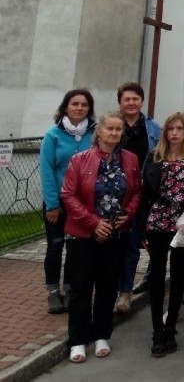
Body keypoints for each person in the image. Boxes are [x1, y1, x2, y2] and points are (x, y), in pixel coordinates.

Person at [61, 111, 142, 363]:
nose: (115, 133)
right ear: (100, 131)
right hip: (84, 233)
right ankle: (77, 340)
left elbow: (137, 192)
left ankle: (101, 335)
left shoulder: (130, 159)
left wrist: (127, 214)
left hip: (116, 234)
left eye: (119, 130)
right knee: (81, 288)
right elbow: (68, 195)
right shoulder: (80, 160)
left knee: (107, 287)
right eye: (110, 129)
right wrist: (93, 222)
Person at [140, 112, 184, 357]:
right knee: (157, 275)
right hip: (158, 218)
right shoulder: (154, 156)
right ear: (165, 132)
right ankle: (157, 330)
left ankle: (170, 327)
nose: (175, 133)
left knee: (179, 276)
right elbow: (145, 194)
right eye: (171, 129)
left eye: (180, 129)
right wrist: (141, 227)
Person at [40, 89, 96, 314]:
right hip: (58, 203)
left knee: (76, 248)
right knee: (55, 246)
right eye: (75, 104)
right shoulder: (53, 135)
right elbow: (46, 170)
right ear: (66, 107)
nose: (79, 108)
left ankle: (71, 288)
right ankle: (54, 292)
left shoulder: (94, 134)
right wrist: (52, 204)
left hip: (82, 204)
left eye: (84, 104)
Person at [115, 82, 161, 313]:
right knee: (111, 245)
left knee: (132, 244)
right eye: (127, 99)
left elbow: (159, 158)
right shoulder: (112, 126)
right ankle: (110, 289)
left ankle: (125, 292)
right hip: (112, 193)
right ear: (120, 103)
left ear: (141, 102)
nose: (131, 103)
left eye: (135, 99)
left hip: (140, 194)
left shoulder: (152, 129)